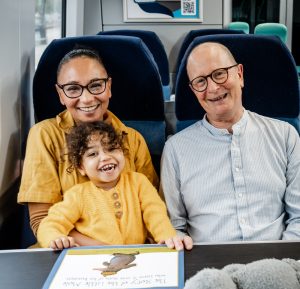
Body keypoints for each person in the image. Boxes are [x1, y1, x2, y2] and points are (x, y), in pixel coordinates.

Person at [160, 42, 300, 243]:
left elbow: (298, 218)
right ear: (193, 90)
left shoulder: (285, 136)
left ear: (239, 74)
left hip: (276, 262)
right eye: (200, 81)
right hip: (207, 268)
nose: (213, 88)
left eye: (219, 74)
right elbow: (173, 228)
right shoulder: (175, 150)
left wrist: (284, 261)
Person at [18, 47, 159, 246]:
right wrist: (106, 250)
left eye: (95, 85)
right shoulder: (44, 135)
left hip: (131, 252)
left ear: (108, 87)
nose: (86, 98)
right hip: (66, 251)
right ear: (61, 94)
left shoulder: (133, 139)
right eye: (73, 88)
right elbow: (41, 220)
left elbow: (151, 210)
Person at [37, 121, 193, 250]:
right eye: (93, 154)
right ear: (81, 168)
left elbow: (156, 214)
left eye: (112, 149)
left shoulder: (139, 182)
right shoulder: (77, 195)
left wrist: (166, 236)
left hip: (136, 257)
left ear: (123, 153)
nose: (105, 157)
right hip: (93, 260)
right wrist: (55, 238)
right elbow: (51, 223)